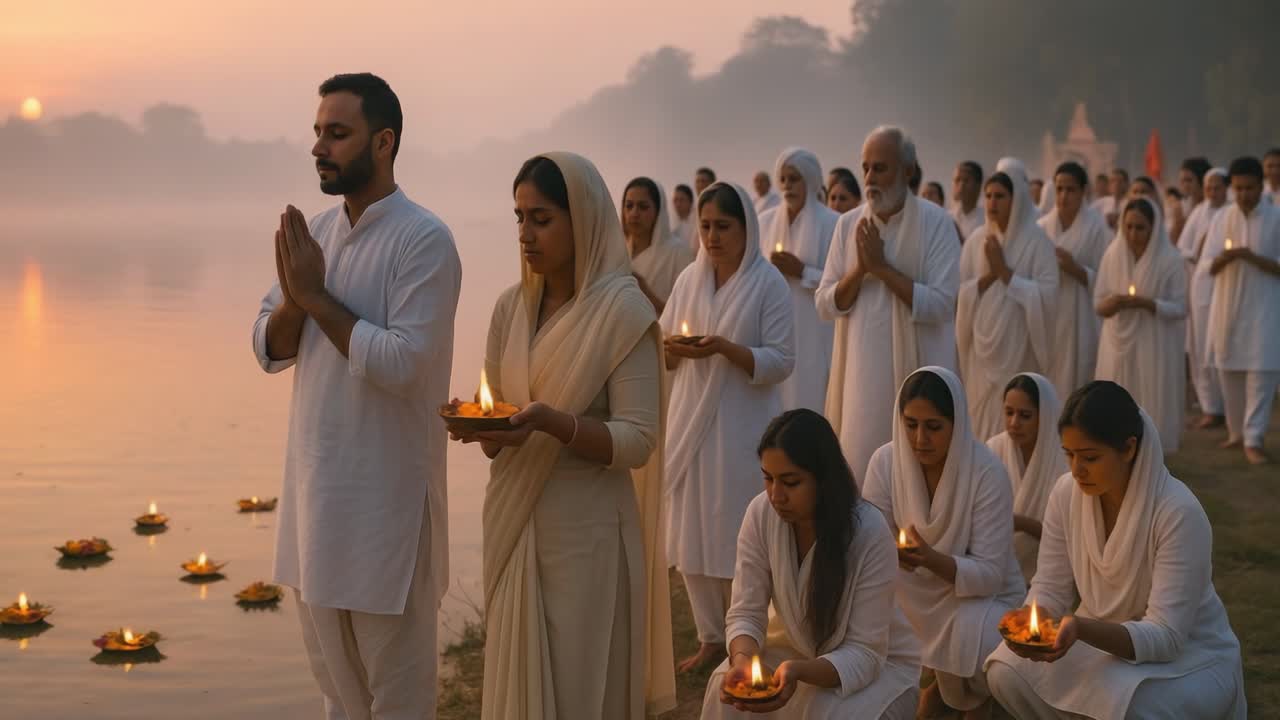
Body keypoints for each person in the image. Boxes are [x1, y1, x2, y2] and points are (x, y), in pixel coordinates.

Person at [251, 73, 462, 720]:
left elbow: (404, 365)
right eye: (318, 133)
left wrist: (315, 296)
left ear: (384, 141)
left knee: (397, 702)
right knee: (339, 699)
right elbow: (268, 346)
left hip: (388, 519)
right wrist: (296, 297)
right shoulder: (313, 235)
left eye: (337, 134)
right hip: (317, 509)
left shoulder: (424, 240)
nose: (321, 146)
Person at [457, 153, 675, 719]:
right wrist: (487, 429)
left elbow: (638, 439)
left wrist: (556, 423)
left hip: (590, 537)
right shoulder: (511, 307)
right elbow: (497, 421)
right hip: (516, 519)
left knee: (582, 690)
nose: (526, 234)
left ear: (584, 221)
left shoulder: (622, 309)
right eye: (519, 218)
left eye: (542, 219)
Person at [986, 381, 1247, 719]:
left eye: (1090, 457)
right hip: (1100, 642)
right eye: (1069, 455)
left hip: (1190, 657)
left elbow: (1167, 637)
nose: (1077, 470)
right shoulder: (1065, 494)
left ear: (1128, 448)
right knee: (1005, 671)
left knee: (1129, 707)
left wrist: (1081, 627)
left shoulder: (1178, 512)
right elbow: (1049, 586)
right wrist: (1031, 624)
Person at [701, 410, 920, 719]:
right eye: (768, 478)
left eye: (791, 482)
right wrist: (742, 660)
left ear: (823, 479)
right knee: (721, 688)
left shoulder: (868, 532)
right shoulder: (760, 514)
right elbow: (746, 611)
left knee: (831, 712)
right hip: (792, 652)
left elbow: (866, 652)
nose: (776, 495)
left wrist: (800, 672)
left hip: (878, 666)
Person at [661, 182, 796, 673]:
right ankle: (710, 637)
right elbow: (666, 345)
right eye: (706, 226)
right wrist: (675, 349)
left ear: (747, 229)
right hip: (691, 420)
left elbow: (782, 361)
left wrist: (723, 348)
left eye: (723, 226)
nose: (713, 236)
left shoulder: (769, 284)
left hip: (744, 425)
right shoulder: (688, 280)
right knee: (694, 529)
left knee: (739, 530)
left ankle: (748, 632)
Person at [863, 368, 1025, 720]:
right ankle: (937, 689)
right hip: (907, 588)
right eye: (910, 424)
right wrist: (892, 550)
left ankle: (968, 698)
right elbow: (870, 542)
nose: (920, 438)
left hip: (978, 596)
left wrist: (933, 560)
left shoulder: (987, 472)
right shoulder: (884, 462)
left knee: (981, 635)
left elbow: (990, 575)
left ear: (957, 424)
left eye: (933, 427)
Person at [817, 125, 960, 482]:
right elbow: (825, 303)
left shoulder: (937, 223)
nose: (869, 178)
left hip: (922, 375)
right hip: (863, 378)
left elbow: (942, 304)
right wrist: (860, 271)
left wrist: (881, 269)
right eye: (865, 167)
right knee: (861, 471)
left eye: (880, 168)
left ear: (907, 171)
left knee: (921, 474)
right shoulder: (848, 225)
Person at [956, 158, 1058, 441]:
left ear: (1017, 199)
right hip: (980, 349)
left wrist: (1006, 274)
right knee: (980, 426)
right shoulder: (977, 240)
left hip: (1019, 346)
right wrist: (990, 276)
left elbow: (1049, 294)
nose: (992, 203)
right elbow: (961, 292)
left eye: (1000, 196)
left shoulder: (1037, 241)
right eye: (988, 196)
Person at [1094, 197, 1187, 454]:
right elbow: (1098, 303)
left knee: (1150, 395)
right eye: (1129, 227)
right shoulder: (1112, 255)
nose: (1133, 234)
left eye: (1140, 228)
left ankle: (1151, 451)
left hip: (1154, 342)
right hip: (1116, 340)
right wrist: (1113, 303)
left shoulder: (1170, 260)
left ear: (1154, 228)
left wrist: (1149, 303)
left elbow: (1180, 308)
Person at [1203, 155, 1280, 464]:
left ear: (1261, 186)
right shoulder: (1222, 218)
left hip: (1264, 307)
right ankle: (1236, 434)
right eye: (1239, 188)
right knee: (1229, 369)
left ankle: (1254, 438)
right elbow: (1207, 264)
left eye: (1250, 188)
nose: (1244, 194)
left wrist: (1252, 257)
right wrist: (1226, 257)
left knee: (1261, 371)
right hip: (1228, 305)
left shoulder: (1276, 218)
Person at [760, 147, 839, 412]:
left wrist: (803, 271)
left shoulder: (833, 224)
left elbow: (842, 284)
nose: (787, 186)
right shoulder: (765, 222)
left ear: (810, 180)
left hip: (816, 331)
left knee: (813, 396)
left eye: (794, 178)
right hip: (774, 326)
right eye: (783, 179)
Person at [1039, 161, 1111, 399]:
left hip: (1083, 318)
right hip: (1049, 315)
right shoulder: (1041, 228)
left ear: (1083, 192)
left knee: (1080, 380)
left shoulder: (1097, 228)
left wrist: (1075, 269)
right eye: (1059, 189)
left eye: (1070, 190)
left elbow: (1107, 279)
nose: (1063, 196)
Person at [986, 374, 1067, 582]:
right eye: (1009, 412)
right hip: (996, 565)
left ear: (1045, 415)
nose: (1014, 423)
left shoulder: (1063, 459)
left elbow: (1070, 536)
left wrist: (1021, 523)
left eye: (1025, 415)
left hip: (1050, 571)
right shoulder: (993, 450)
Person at [1180, 165, 1228, 430]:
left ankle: (1224, 407)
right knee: (1199, 347)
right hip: (1199, 286)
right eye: (1208, 187)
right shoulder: (1199, 212)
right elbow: (1183, 247)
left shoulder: (1230, 214)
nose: (1212, 192)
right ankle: (1210, 406)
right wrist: (1196, 252)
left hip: (1224, 289)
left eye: (1217, 187)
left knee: (1218, 346)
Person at [622, 176, 694, 314]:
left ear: (658, 211)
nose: (634, 213)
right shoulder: (617, 252)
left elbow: (687, 314)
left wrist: (646, 293)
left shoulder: (679, 253)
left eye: (643, 207)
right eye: (629, 206)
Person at [951, 161, 985, 240]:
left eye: (966, 180)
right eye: (957, 180)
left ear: (978, 185)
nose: (961, 185)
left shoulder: (986, 219)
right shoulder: (948, 216)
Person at [671, 183, 698, 251]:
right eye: (675, 200)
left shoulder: (697, 224)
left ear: (690, 202)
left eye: (681, 200)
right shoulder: (671, 225)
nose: (678, 204)